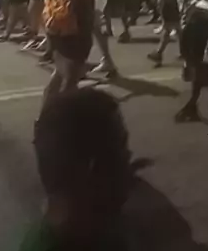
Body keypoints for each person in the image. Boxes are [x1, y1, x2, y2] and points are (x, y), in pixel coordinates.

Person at [22, 89, 132, 251]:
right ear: (89, 168)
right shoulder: (97, 236)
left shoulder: (95, 229)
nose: (129, 156)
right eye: (121, 147)